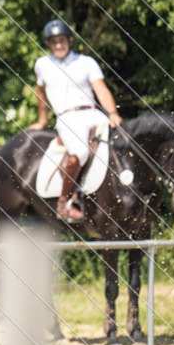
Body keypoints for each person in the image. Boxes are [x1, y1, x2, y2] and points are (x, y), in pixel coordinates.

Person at [28, 19, 123, 222]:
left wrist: (112, 113)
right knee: (80, 151)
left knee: (120, 140)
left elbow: (101, 89)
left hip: (93, 113)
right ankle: (64, 202)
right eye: (54, 42)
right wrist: (42, 120)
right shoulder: (43, 64)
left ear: (70, 41)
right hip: (68, 117)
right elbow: (40, 92)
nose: (58, 45)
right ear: (48, 44)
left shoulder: (86, 62)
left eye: (62, 40)